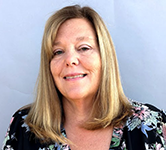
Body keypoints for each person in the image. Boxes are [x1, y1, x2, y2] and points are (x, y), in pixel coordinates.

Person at [2, 5, 166, 150]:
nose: (70, 60)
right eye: (58, 52)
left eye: (83, 48)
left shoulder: (150, 124)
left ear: (104, 58)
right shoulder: (24, 126)